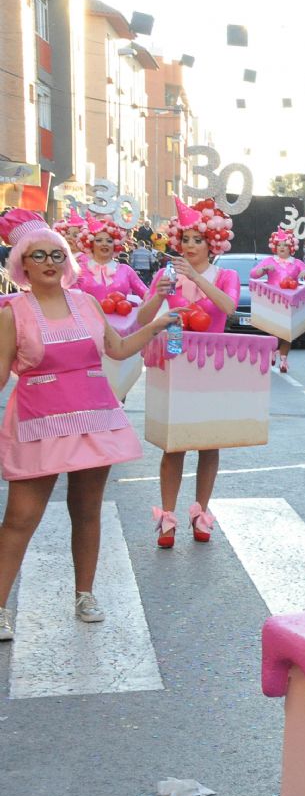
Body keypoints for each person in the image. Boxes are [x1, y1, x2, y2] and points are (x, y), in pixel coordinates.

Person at [0, 211, 179, 639]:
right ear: (22, 263)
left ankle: (85, 594)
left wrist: (154, 325)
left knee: (87, 511)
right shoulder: (12, 313)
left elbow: (116, 350)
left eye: (56, 254)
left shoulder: (86, 303)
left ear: (67, 261)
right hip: (38, 425)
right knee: (21, 518)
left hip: (95, 419)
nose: (48, 262)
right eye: (38, 255)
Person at [136, 198, 241, 548]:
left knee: (209, 443)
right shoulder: (167, 275)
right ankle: (168, 517)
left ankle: (201, 511)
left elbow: (228, 308)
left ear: (212, 242)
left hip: (213, 366)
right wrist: (158, 297)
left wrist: (196, 277)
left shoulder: (226, 275)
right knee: (175, 444)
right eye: (186, 240)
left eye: (199, 240)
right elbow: (141, 320)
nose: (191, 246)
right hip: (176, 361)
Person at [250, 228, 305, 373]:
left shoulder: (296, 263)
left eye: (285, 245)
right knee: (275, 330)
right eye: (279, 245)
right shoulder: (269, 261)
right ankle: (273, 352)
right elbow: (253, 274)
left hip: (290, 302)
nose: (282, 248)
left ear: (291, 247)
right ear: (275, 247)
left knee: (287, 332)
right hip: (274, 301)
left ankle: (283, 360)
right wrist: (265, 269)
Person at [72, 215, 148, 309]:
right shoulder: (78, 270)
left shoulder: (125, 270)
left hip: (122, 322)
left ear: (115, 244)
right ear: (90, 244)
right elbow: (68, 299)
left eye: (109, 241)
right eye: (99, 240)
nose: (104, 244)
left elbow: (147, 294)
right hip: (88, 321)